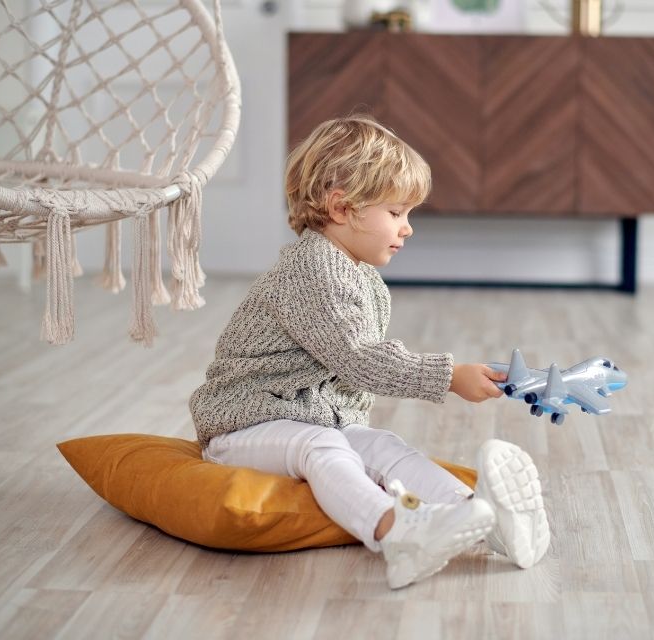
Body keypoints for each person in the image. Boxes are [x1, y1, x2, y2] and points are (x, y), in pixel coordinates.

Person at [189, 115, 549, 589]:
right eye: (397, 212)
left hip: (313, 416)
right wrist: (446, 376)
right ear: (342, 208)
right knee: (322, 446)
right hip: (245, 424)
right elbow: (357, 356)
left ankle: (477, 515)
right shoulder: (313, 268)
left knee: (384, 446)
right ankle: (397, 534)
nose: (408, 228)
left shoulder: (358, 274)